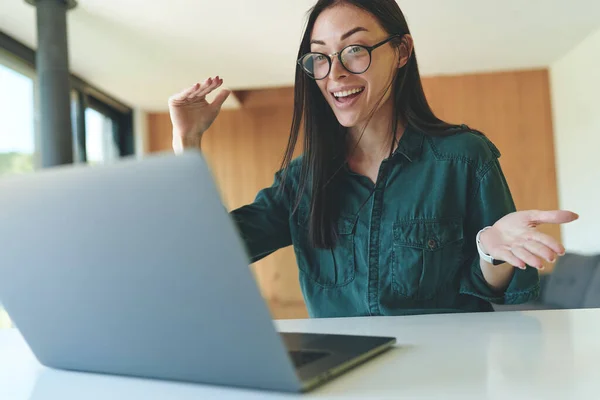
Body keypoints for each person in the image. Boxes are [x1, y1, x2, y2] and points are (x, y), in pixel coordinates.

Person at [167, 0, 578, 318]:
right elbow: (215, 251)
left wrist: (490, 252)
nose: (335, 74)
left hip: (447, 377)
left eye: (355, 50)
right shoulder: (302, 181)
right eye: (320, 57)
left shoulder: (463, 157)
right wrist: (188, 143)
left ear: (401, 51)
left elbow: (497, 290)